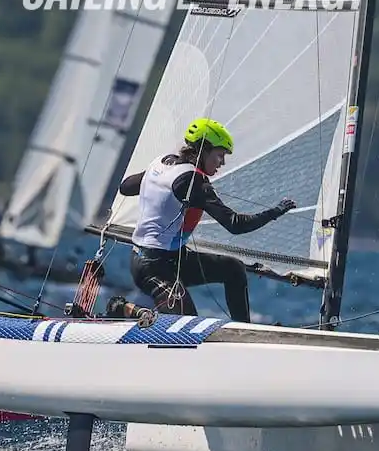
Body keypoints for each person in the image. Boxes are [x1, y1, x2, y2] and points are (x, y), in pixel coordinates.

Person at [118, 117, 296, 322]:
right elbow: (235, 224)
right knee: (186, 324)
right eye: (219, 155)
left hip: (174, 259)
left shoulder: (162, 162)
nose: (223, 162)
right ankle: (122, 309)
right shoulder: (192, 180)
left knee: (233, 269)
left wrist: (152, 176)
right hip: (153, 266)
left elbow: (125, 187)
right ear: (203, 149)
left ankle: (244, 328)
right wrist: (275, 211)